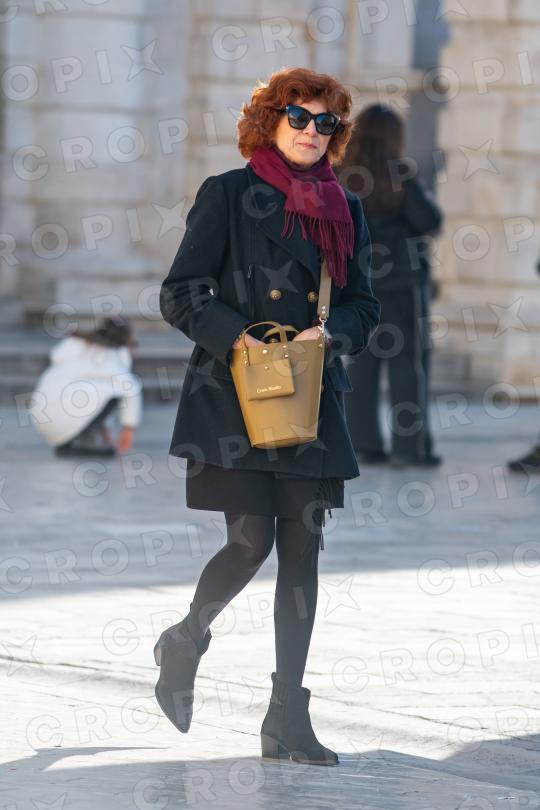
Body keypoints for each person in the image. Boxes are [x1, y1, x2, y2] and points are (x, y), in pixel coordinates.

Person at [155, 67, 380, 766]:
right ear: (270, 121)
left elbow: (364, 305)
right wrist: (238, 337)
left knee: (303, 552)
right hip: (234, 396)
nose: (312, 131)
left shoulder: (346, 207)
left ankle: (286, 716)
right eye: (299, 117)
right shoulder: (227, 193)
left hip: (309, 398)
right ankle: (186, 639)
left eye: (326, 122)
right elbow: (180, 292)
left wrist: (330, 334)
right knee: (251, 543)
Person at [338, 104, 443, 467]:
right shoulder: (401, 175)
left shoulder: (340, 176)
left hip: (356, 286)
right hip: (400, 283)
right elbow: (430, 221)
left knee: (361, 362)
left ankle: (362, 444)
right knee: (407, 364)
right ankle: (407, 448)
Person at [28, 315, 143, 457]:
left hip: (41, 415)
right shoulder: (111, 355)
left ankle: (73, 440)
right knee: (118, 390)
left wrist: (105, 432)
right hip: (61, 416)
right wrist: (128, 430)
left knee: (100, 389)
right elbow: (131, 387)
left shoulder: (74, 343)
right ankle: (84, 440)